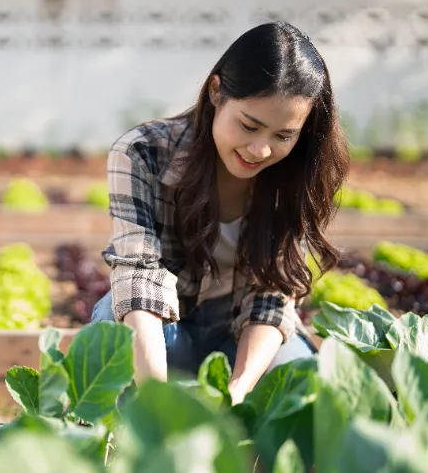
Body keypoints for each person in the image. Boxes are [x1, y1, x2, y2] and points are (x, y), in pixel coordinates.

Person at [91, 21, 350, 406]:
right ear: (216, 91)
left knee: (295, 378)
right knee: (113, 333)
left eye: (283, 136)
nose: (260, 150)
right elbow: (138, 278)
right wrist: (156, 406)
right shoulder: (141, 152)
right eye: (249, 125)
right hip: (163, 324)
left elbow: (273, 294)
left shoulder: (296, 175)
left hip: (238, 330)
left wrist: (239, 391)